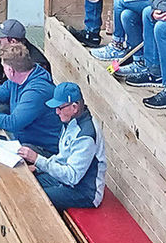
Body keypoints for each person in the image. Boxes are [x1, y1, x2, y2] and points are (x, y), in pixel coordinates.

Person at [17, 81, 106, 209]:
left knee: (35, 196)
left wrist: (38, 160)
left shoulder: (85, 136)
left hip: (84, 192)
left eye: (60, 108)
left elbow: (72, 177)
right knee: (27, 181)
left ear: (74, 107)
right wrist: (38, 168)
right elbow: (63, 157)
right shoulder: (70, 121)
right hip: (67, 180)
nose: (56, 112)